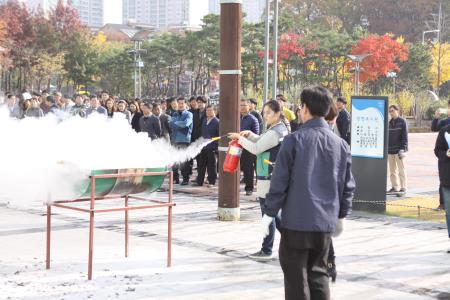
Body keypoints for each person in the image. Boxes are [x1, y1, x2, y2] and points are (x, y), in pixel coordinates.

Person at [262, 86, 355, 300]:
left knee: (296, 278)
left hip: (297, 223)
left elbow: (279, 182)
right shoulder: (340, 144)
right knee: (318, 274)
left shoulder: (294, 140)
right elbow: (348, 185)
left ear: (305, 108)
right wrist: (341, 215)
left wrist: (269, 213)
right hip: (325, 224)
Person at [229, 100, 289, 261]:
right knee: (273, 214)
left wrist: (239, 139)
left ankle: (266, 250)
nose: (265, 116)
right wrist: (250, 134)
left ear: (278, 113)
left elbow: (257, 149)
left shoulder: (275, 132)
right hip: (274, 176)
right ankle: (293, 242)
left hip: (268, 178)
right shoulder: (280, 129)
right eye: (264, 112)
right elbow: (263, 141)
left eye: (268, 112)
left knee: (267, 215)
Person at [434, 124, 450, 253]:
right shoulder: (444, 130)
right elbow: (437, 150)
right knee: (449, 212)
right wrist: (446, 153)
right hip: (447, 179)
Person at [170, 97, 193, 185]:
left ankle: (185, 179)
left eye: (182, 103)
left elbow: (186, 124)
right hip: (174, 139)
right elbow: (171, 124)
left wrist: (176, 123)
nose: (180, 105)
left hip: (184, 139)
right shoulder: (174, 114)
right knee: (174, 160)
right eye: (179, 103)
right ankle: (175, 178)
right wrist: (179, 123)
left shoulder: (189, 114)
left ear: (186, 104)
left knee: (184, 161)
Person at [195, 105, 219, 187]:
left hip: (212, 147)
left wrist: (216, 147)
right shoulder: (204, 120)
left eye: (210, 110)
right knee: (201, 165)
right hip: (203, 146)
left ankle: (212, 181)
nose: (208, 112)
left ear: (214, 111)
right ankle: (199, 181)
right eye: (207, 111)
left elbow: (218, 135)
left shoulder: (217, 122)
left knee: (211, 166)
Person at [240, 99, 260, 196]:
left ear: (249, 107)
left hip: (249, 147)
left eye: (244, 105)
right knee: (240, 167)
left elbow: (256, 134)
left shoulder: (253, 119)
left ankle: (249, 188)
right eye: (240, 105)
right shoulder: (237, 118)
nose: (242, 107)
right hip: (238, 146)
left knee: (249, 168)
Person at [387, 104, 408, 195]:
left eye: (392, 111)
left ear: (397, 111)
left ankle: (403, 187)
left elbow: (405, 137)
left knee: (401, 170)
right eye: (390, 111)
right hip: (390, 150)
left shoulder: (402, 121)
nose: (391, 113)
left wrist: (403, 149)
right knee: (392, 171)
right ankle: (395, 187)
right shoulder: (389, 123)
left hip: (399, 151)